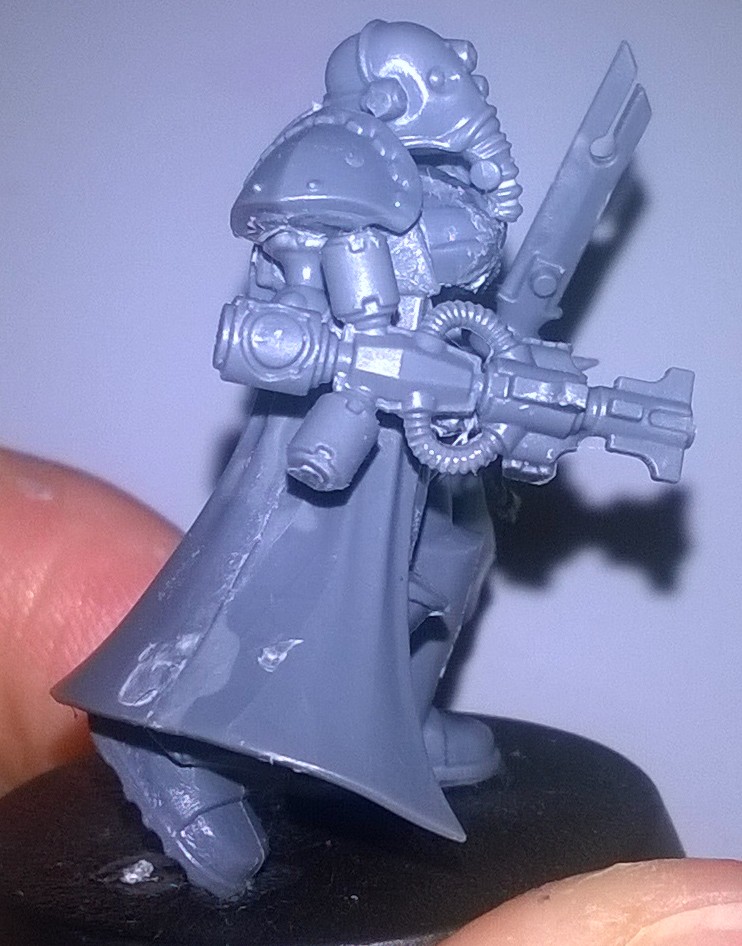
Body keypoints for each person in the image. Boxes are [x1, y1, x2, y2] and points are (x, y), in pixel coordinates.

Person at [2, 447, 740, 944]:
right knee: (303, 545)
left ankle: (394, 717)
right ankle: (172, 735)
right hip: (355, 395)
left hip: (437, 409)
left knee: (450, 545)